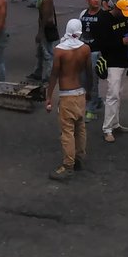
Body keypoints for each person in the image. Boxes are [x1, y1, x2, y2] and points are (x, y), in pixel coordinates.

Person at [45, 19, 91, 181]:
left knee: (67, 132)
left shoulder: (59, 51)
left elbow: (54, 75)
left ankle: (68, 165)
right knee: (80, 128)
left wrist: (49, 96)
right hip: (81, 94)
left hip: (67, 95)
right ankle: (79, 158)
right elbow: (89, 73)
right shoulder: (85, 49)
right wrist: (89, 92)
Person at [93, 0, 128, 143]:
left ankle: (115, 123)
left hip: (123, 60)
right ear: (116, 9)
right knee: (112, 95)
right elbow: (102, 43)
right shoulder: (104, 20)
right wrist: (121, 42)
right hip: (112, 62)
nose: (126, 16)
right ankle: (107, 129)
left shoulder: (126, 16)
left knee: (118, 94)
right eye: (123, 12)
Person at [26, 0, 57, 82]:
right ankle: (37, 73)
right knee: (39, 53)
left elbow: (46, 17)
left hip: (45, 29)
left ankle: (49, 76)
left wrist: (40, 32)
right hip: (44, 28)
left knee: (48, 54)